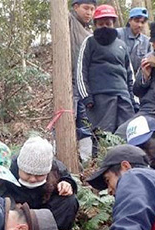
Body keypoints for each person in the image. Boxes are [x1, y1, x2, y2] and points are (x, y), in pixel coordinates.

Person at [6, 136, 79, 230]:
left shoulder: (56, 167)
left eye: (39, 175)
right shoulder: (9, 168)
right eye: (27, 174)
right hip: (20, 213)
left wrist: (67, 184)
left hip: (46, 209)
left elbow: (68, 179)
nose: (33, 179)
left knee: (69, 201)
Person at [77, 4, 135, 134]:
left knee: (127, 134)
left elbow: (130, 74)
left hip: (123, 96)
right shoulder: (89, 42)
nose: (105, 27)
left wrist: (134, 100)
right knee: (103, 135)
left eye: (108, 24)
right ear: (95, 24)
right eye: (101, 24)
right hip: (100, 98)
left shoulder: (121, 45)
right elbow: (81, 71)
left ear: (113, 24)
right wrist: (86, 97)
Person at [69, 0, 97, 162]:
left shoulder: (90, 33)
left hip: (84, 84)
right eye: (86, 8)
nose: (89, 13)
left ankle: (85, 159)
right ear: (75, 7)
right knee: (67, 116)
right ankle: (59, 154)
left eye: (92, 9)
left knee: (85, 119)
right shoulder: (70, 21)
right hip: (68, 80)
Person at [116, 7, 150, 74]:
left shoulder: (147, 41)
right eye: (136, 21)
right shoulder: (118, 34)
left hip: (136, 78)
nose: (139, 25)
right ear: (129, 21)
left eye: (142, 22)